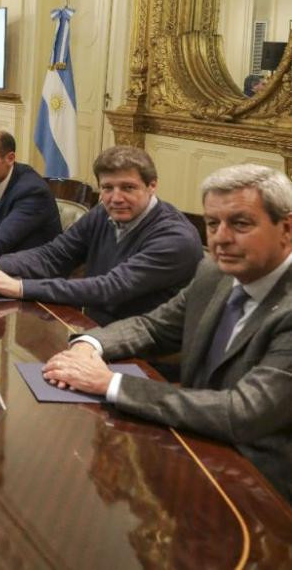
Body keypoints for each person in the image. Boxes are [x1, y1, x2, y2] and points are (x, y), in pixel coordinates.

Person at [42, 164, 292, 502]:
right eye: (213, 224)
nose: (221, 238)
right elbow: (153, 326)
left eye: (241, 223)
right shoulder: (214, 273)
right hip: (195, 444)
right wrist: (91, 345)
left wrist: (110, 383)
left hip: (262, 484)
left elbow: (241, 413)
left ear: (287, 229)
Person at [0, 145, 203, 326]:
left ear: (152, 186)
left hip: (142, 348)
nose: (116, 198)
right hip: (91, 329)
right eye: (107, 188)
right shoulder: (103, 213)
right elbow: (54, 255)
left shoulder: (175, 238)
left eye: (128, 187)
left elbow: (109, 288)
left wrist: (20, 287)